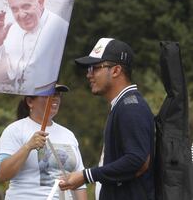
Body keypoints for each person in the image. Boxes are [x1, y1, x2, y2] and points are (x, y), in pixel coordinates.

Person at [59, 38, 155, 200]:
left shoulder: (130, 106)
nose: (89, 74)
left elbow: (137, 160)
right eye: (89, 68)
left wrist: (86, 175)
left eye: (95, 68)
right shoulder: (123, 104)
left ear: (116, 70)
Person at [0, 84, 87, 200]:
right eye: (48, 94)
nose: (55, 98)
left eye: (58, 94)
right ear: (30, 101)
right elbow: (3, 174)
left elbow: (79, 182)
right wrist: (28, 147)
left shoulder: (68, 135)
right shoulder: (15, 130)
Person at [0, 0, 69, 95]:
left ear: (40, 2)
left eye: (26, 6)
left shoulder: (62, 29)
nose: (21, 14)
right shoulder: (12, 30)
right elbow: (2, 78)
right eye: (15, 9)